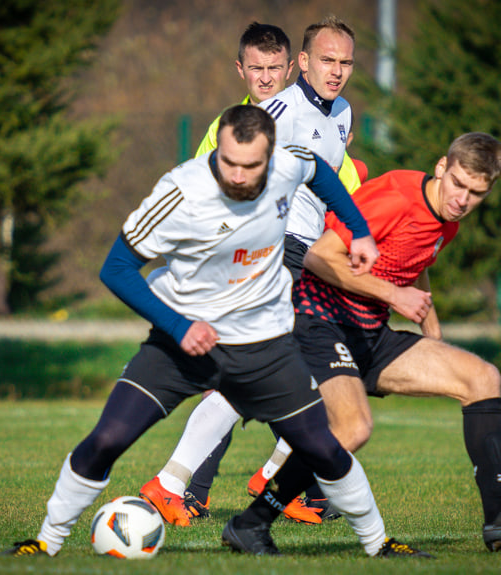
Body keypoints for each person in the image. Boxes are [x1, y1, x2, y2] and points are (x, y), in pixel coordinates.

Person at [3, 105, 427, 559]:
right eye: (229, 163)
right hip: (181, 343)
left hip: (262, 347)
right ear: (218, 149)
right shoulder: (181, 192)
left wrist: (359, 231)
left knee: (324, 448)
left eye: (251, 166)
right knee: (107, 439)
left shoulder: (288, 163)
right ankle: (45, 542)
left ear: (271, 156)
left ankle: (379, 544)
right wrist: (178, 325)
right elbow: (117, 268)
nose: (239, 175)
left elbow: (321, 171)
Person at [237, 131, 501, 553]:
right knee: (352, 428)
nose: (463, 200)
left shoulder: (448, 221)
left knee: (482, 378)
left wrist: (433, 335)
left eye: (476, 193)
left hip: (369, 331)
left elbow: (415, 261)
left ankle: (500, 516)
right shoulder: (396, 196)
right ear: (441, 168)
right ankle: (252, 523)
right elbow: (320, 257)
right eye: (458, 184)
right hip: (318, 321)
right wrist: (395, 296)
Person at [141, 17, 360, 526]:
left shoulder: (342, 114)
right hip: (272, 250)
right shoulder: (271, 113)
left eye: (345, 62)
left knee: (301, 375)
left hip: (308, 253)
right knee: (262, 374)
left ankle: (256, 476)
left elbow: (330, 181)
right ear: (303, 64)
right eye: (327, 60)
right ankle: (180, 484)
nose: (337, 71)